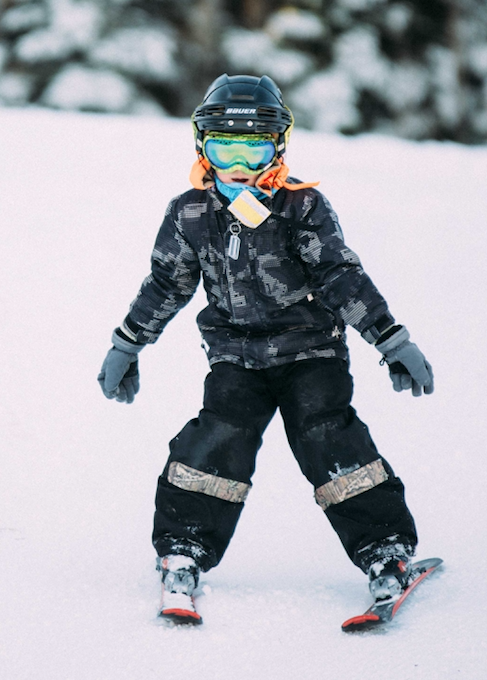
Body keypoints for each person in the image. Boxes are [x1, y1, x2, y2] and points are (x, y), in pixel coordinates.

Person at [97, 74, 434, 624]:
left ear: (276, 146)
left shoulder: (302, 207)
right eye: (224, 145)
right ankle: (183, 552)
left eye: (252, 146)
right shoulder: (190, 213)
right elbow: (167, 284)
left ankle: (386, 555)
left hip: (312, 356)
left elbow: (339, 276)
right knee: (217, 440)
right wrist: (127, 344)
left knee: (327, 438)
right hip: (236, 359)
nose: (238, 161)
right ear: (202, 145)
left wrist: (390, 338)